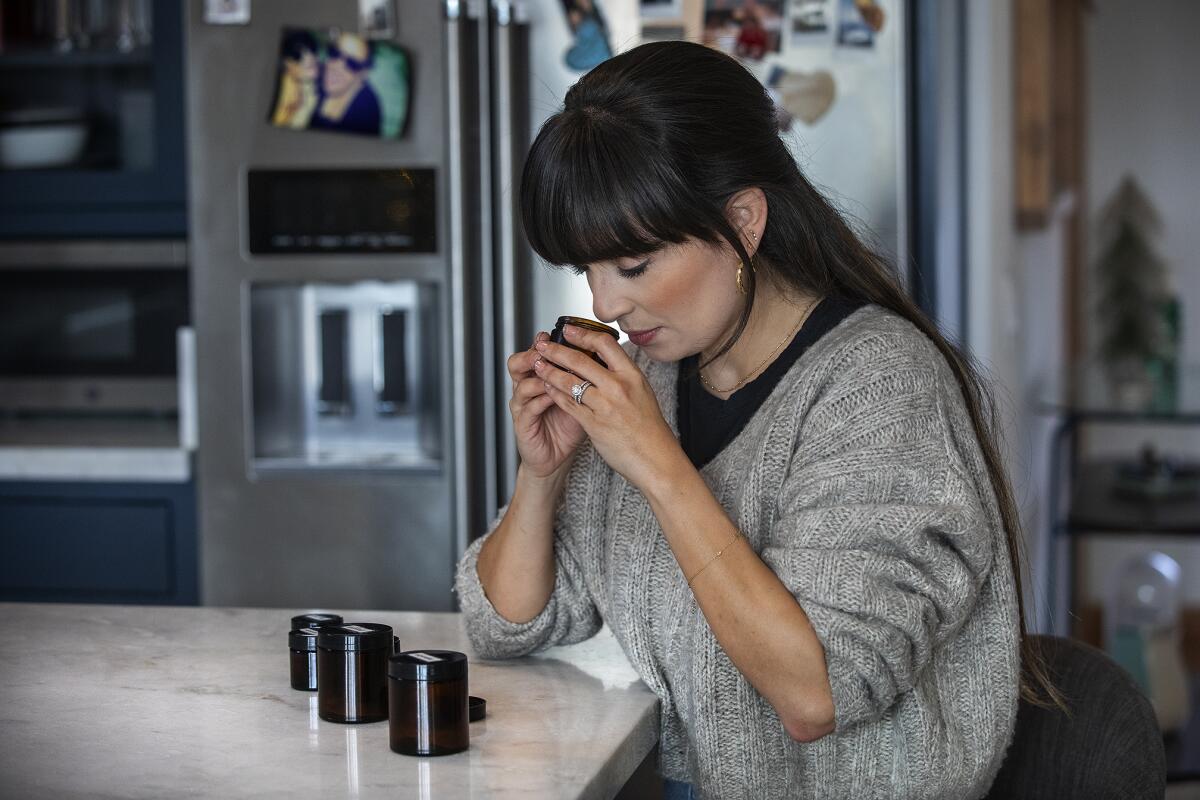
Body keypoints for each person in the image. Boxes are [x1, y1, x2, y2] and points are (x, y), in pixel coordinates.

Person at [454, 41, 1059, 799]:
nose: (606, 305)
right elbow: (505, 623)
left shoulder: (878, 387)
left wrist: (658, 464)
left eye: (634, 265)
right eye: (588, 271)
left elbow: (817, 696)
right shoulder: (653, 378)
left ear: (742, 220)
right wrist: (541, 476)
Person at [309, 32, 381, 137]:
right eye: (335, 53)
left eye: (352, 64)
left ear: (363, 74)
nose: (337, 67)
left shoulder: (367, 112)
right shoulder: (311, 76)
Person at [270, 30, 319, 129]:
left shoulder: (307, 82)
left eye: (312, 51)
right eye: (298, 56)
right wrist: (307, 107)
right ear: (288, 64)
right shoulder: (286, 89)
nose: (310, 57)